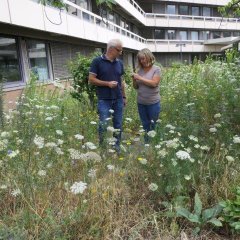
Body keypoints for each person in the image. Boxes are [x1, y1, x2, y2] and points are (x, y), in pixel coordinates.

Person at [89, 39, 126, 151]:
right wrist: (107, 84)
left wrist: (124, 96)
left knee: (118, 125)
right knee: (103, 125)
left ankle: (117, 147)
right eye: (119, 50)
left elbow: (122, 81)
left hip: (118, 99)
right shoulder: (97, 61)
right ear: (111, 49)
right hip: (104, 100)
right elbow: (91, 80)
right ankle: (103, 149)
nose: (120, 53)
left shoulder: (119, 63)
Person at [132, 48, 161, 143]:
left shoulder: (156, 69)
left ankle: (155, 143)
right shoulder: (139, 70)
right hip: (141, 102)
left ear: (149, 57)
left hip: (153, 102)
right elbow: (136, 87)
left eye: (143, 58)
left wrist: (140, 78)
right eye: (140, 59)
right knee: (145, 124)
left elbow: (154, 83)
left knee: (154, 124)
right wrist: (134, 79)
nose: (142, 61)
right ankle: (147, 143)